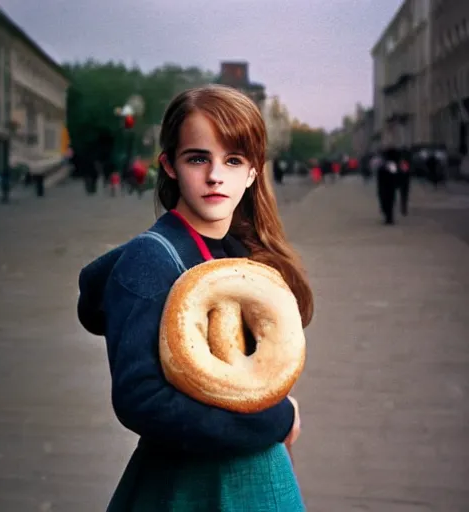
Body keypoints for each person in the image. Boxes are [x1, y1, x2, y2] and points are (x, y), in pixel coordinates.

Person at [77, 84, 314, 511]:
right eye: (198, 158)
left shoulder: (241, 253)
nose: (215, 175)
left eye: (233, 159)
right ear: (168, 165)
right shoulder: (150, 260)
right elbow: (141, 398)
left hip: (256, 478)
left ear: (253, 172)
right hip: (188, 486)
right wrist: (277, 419)